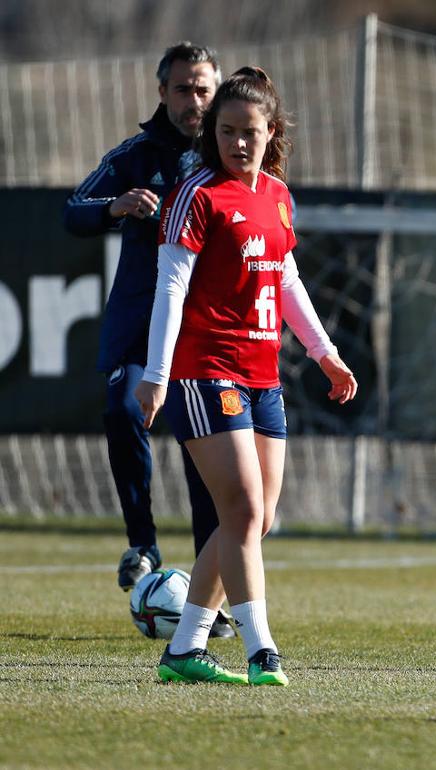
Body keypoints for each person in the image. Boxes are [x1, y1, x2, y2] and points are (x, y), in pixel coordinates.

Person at [135, 66, 358, 685]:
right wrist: (157, 375)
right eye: (227, 130)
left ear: (271, 132)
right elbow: (171, 288)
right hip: (206, 372)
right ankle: (263, 649)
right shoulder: (197, 194)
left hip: (264, 379)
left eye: (249, 132)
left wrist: (324, 352)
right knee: (242, 508)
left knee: (253, 520)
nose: (238, 142)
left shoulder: (278, 197)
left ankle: (184, 649)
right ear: (214, 133)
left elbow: (286, 281)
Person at [63, 44, 231, 636]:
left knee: (203, 448)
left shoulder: (229, 155)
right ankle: (144, 547)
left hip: (202, 325)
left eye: (203, 89)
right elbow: (74, 209)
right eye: (184, 89)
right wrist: (118, 206)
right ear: (162, 93)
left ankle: (213, 594)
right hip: (139, 319)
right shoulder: (137, 157)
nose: (194, 101)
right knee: (122, 408)